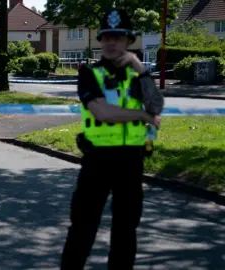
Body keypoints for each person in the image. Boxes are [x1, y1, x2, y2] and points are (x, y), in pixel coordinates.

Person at [60, 8, 164, 270]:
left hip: (131, 162)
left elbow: (157, 105)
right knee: (83, 228)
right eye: (106, 37)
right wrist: (142, 114)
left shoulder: (137, 76)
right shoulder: (89, 74)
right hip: (97, 161)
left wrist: (140, 69)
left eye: (118, 38)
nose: (111, 42)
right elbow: (102, 111)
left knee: (125, 232)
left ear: (129, 41)